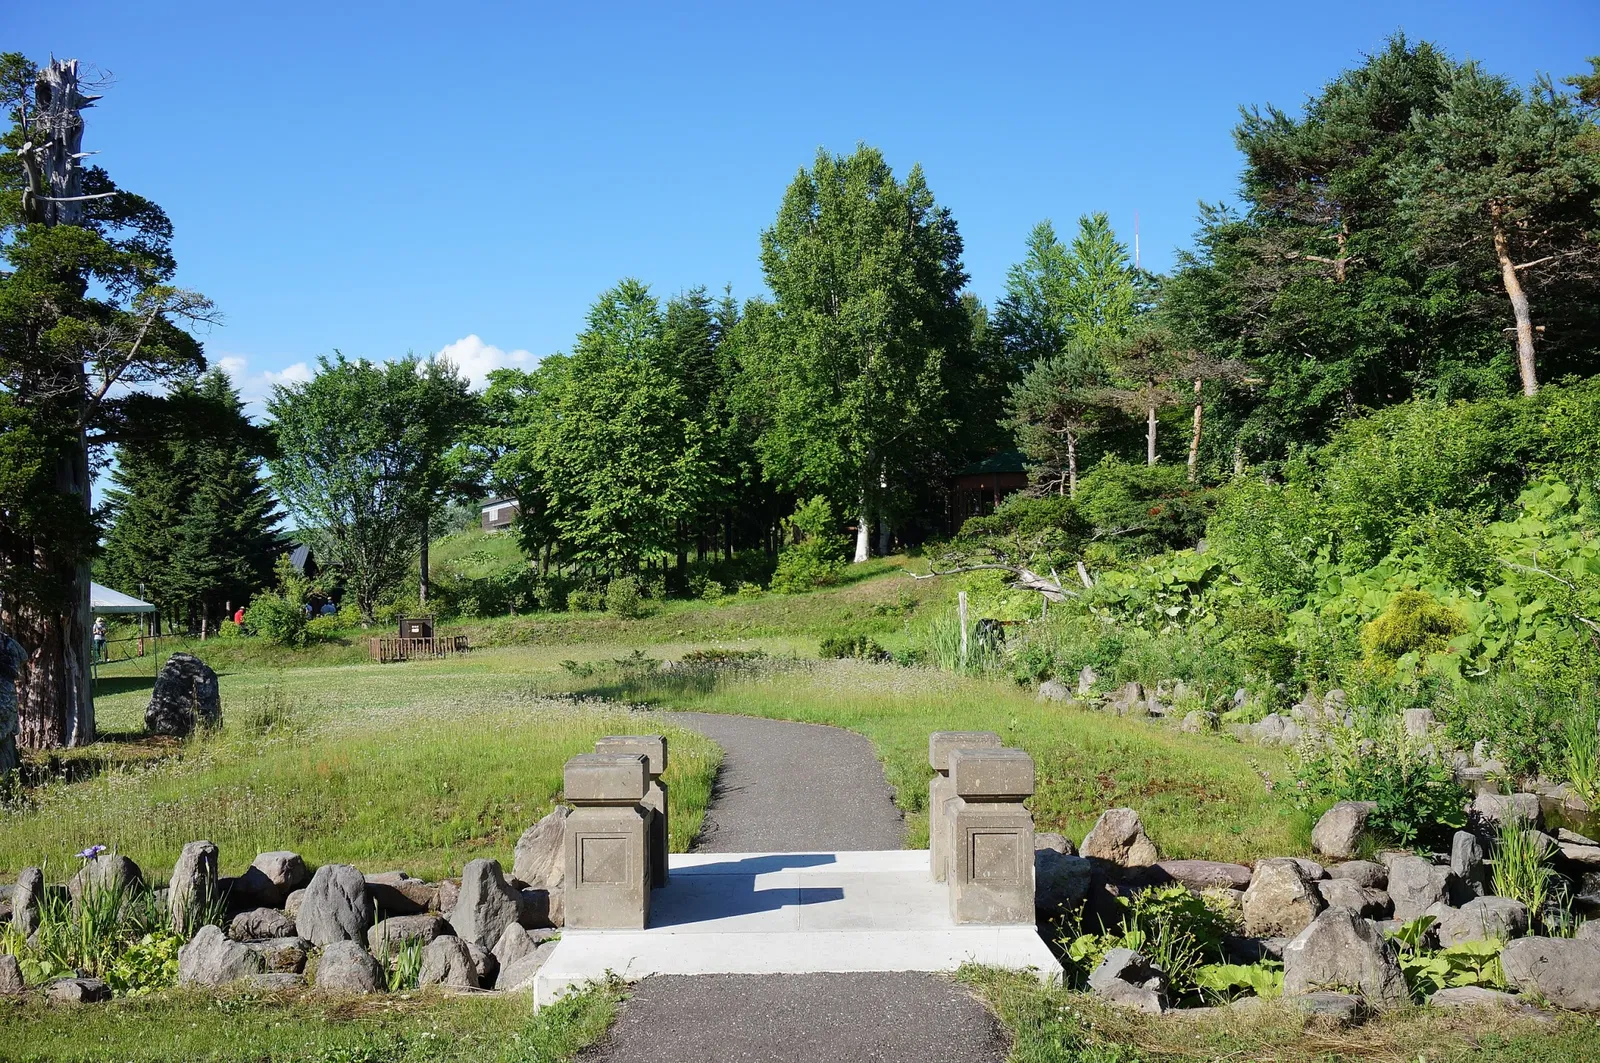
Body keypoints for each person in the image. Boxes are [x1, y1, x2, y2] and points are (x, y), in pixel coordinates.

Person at [0, 622, 24, 777]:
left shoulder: (7, 642)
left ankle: (7, 776)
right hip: (7, 697)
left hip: (5, 698)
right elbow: (23, 656)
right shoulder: (8, 642)